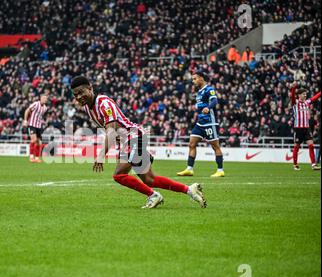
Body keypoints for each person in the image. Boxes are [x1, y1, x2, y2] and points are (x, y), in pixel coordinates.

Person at [71, 75, 206, 209]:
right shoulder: (88, 109)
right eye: (75, 95)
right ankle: (190, 190)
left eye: (81, 92)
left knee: (119, 175)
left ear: (90, 88)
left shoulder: (103, 103)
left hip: (133, 137)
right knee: (149, 179)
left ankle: (153, 196)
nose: (78, 97)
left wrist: (101, 155)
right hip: (127, 141)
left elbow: (111, 130)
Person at [177, 71, 225, 177]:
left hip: (210, 122)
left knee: (215, 146)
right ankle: (189, 169)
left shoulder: (209, 89)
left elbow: (214, 101)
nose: (193, 81)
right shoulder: (199, 92)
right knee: (192, 144)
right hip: (200, 123)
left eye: (195, 79)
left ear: (201, 78)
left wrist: (208, 107)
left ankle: (220, 170)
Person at [290, 82, 321, 170]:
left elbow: (315, 98)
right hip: (298, 128)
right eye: (304, 94)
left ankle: (313, 164)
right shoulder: (295, 103)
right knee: (297, 146)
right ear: (299, 95)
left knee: (311, 145)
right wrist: (293, 88)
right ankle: (295, 165)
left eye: (306, 94)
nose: (305, 95)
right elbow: (292, 97)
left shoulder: (307, 102)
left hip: (306, 128)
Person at [23, 93, 49, 163]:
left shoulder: (45, 108)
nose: (45, 100)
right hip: (32, 124)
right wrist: (25, 120)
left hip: (39, 126)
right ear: (40, 98)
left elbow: (40, 116)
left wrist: (43, 122)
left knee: (38, 143)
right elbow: (27, 110)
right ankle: (31, 157)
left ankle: (37, 158)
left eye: (46, 99)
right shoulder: (36, 104)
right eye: (43, 98)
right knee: (33, 140)